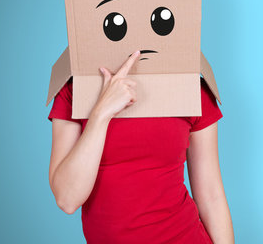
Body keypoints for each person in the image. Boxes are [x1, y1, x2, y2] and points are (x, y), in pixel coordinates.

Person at [47, 50, 234, 243]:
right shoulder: (75, 90)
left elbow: (211, 194)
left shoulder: (189, 89)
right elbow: (67, 199)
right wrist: (101, 113)